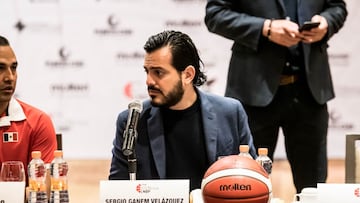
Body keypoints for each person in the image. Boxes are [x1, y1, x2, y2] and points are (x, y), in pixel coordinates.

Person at [204, 0, 347, 193]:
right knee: (245, 184)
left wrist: (326, 22)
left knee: (313, 187)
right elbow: (215, 15)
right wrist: (266, 28)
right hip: (252, 93)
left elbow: (337, 7)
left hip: (310, 91)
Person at [109, 30, 256, 190]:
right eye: (147, 71)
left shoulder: (230, 113)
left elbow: (253, 178)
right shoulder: (132, 120)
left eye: (158, 72)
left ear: (187, 75)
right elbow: (118, 189)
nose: (149, 81)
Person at [0, 35, 57, 186]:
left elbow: (43, 191)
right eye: (0, 68)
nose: (10, 77)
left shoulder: (38, 122)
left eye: (13, 68)